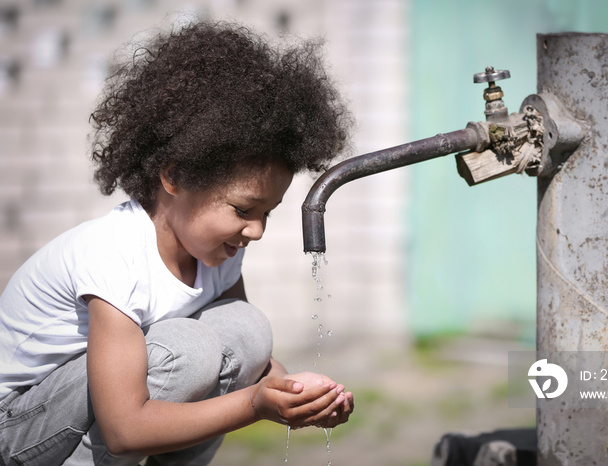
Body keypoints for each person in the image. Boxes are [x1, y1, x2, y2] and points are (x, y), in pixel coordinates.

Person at [0, 20, 354, 465]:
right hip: (14, 424)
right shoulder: (113, 255)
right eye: (243, 210)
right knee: (188, 349)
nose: (257, 231)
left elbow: (256, 368)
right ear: (175, 177)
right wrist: (253, 406)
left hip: (83, 411)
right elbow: (125, 429)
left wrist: (299, 395)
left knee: (246, 329)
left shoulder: (217, 255)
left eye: (268, 213)